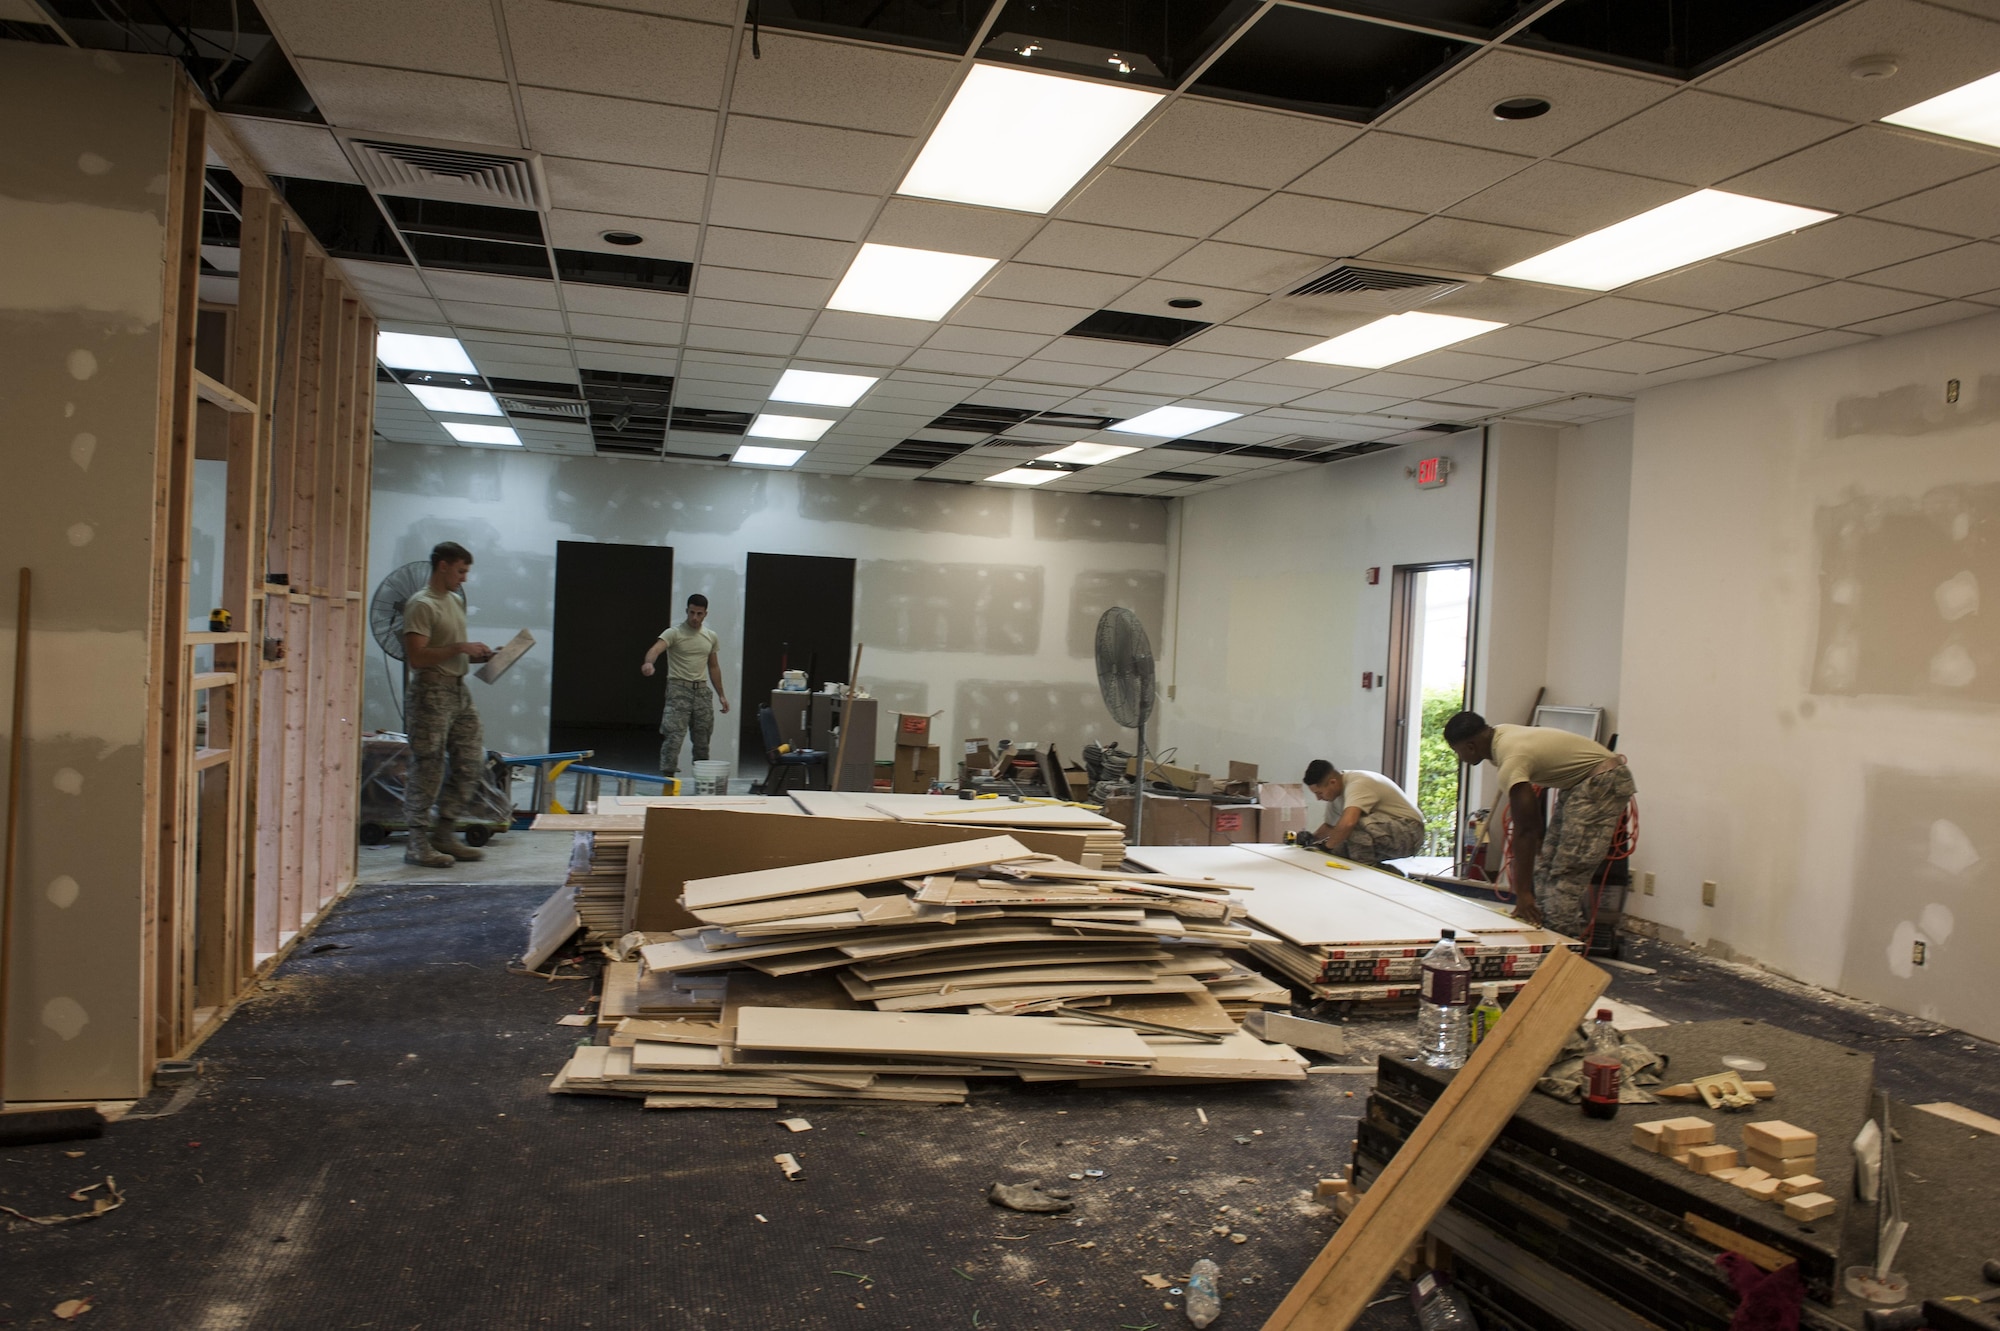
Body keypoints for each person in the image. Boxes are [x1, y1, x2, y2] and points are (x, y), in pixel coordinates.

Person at [1443, 711, 1635, 938]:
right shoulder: (1500, 733)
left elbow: (1525, 830)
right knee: (1545, 865)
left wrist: (1522, 893)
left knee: (1567, 872)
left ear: (1471, 746)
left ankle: (1561, 948)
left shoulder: (1511, 759)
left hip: (1601, 780)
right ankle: (1540, 925)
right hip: (1579, 784)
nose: (1460, 757)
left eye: (1458, 751)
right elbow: (1532, 825)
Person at [401, 541, 495, 868]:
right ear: (442, 566)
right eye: (461, 571)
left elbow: (452, 648)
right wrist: (459, 647)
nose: (464, 578)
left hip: (458, 689)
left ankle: (444, 832)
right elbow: (416, 657)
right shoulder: (421, 605)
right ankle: (416, 843)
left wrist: (476, 654)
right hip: (431, 691)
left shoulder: (455, 601)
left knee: (471, 760)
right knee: (428, 766)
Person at [641, 593, 730, 778]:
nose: (694, 617)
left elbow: (713, 666)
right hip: (678, 690)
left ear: (705, 614)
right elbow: (655, 649)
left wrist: (721, 694)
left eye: (699, 613)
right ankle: (668, 783)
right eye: (691, 612)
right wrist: (649, 663)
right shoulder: (674, 633)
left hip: (702, 692)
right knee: (673, 738)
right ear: (686, 611)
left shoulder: (710, 637)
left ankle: (702, 783)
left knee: (702, 741)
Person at [1302, 761, 1427, 866]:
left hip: (1410, 832)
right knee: (1338, 851)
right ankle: (1385, 873)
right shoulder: (1336, 796)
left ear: (1333, 782)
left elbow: (1349, 823)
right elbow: (1330, 827)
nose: (1318, 798)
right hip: (1386, 831)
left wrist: (1326, 847)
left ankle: (1366, 873)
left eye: (1319, 793)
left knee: (1351, 826)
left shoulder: (1358, 783)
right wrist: (1311, 839)